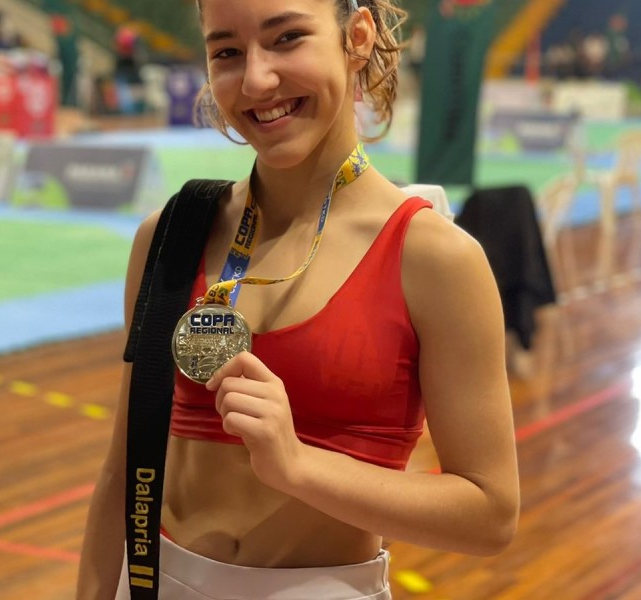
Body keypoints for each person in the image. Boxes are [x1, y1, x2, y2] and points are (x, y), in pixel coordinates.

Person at [77, 1, 520, 598]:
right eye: (227, 51)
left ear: (357, 37)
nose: (257, 80)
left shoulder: (434, 258)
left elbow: (490, 514)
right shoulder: (171, 234)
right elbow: (121, 470)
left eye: (287, 38)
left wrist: (299, 465)